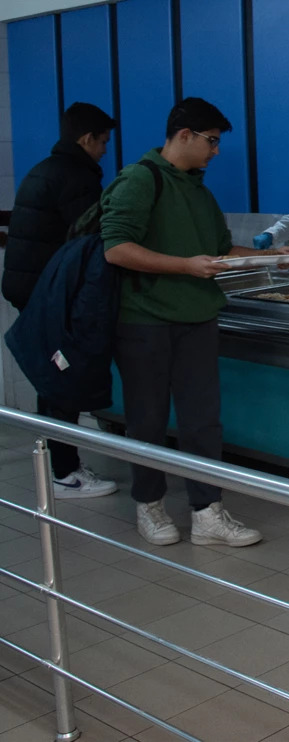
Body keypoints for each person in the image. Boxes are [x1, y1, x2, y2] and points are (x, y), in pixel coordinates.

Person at [101, 97, 289, 547]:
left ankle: (207, 511)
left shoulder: (200, 192)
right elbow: (116, 248)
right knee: (147, 419)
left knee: (203, 421)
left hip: (199, 319)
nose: (216, 151)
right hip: (145, 322)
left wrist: (270, 258)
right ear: (183, 135)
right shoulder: (140, 181)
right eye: (212, 141)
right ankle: (149, 506)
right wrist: (184, 267)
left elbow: (221, 253)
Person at [3, 102, 119, 498]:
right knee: (61, 380)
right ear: (86, 139)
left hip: (29, 287)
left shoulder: (44, 169)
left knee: (52, 379)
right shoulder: (76, 178)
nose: (105, 150)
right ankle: (65, 473)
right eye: (102, 142)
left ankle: (57, 465)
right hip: (50, 293)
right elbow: (93, 239)